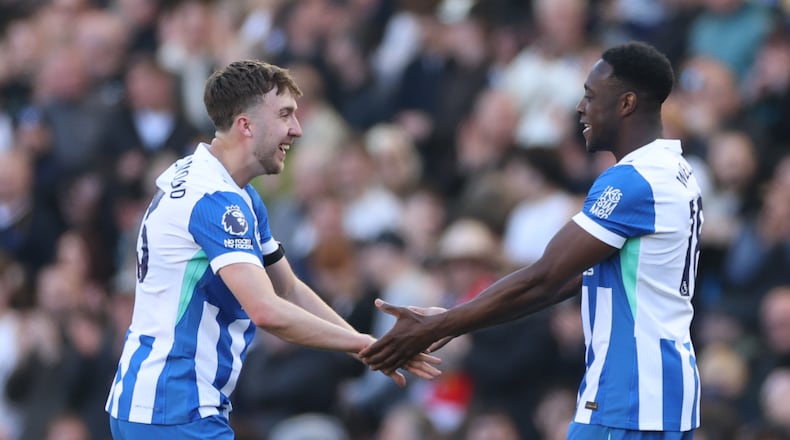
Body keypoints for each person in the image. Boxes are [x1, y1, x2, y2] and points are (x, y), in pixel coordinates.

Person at [361, 41, 703, 439]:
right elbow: (563, 282)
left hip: (629, 397)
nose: (580, 108)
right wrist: (458, 320)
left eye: (591, 97)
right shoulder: (678, 172)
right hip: (663, 391)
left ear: (626, 104)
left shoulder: (633, 181)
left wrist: (437, 326)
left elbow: (545, 275)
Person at [104, 60, 439, 440]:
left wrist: (371, 348)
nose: (296, 129)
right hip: (174, 408)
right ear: (246, 125)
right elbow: (266, 310)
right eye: (285, 115)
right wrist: (366, 343)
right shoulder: (217, 202)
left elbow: (289, 288)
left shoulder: (227, 187)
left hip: (153, 401)